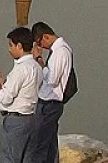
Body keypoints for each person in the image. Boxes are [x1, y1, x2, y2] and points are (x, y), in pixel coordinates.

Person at [0, 27, 42, 163]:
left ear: (19, 46)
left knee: (9, 158)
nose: (9, 49)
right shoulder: (36, 67)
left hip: (16, 122)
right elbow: (24, 91)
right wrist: (3, 82)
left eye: (11, 45)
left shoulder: (21, 69)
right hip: (31, 119)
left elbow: (5, 99)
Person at [31, 22, 75, 163]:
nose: (40, 47)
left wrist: (39, 59)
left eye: (39, 42)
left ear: (45, 37)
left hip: (50, 104)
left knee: (40, 144)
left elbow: (52, 79)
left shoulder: (60, 51)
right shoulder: (57, 51)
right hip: (48, 103)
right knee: (49, 144)